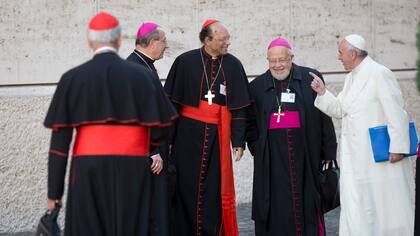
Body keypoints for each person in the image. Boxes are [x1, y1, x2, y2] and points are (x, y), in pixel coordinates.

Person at [44, 12, 177, 235]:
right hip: (133, 167)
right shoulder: (142, 76)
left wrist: (54, 195)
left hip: (88, 169)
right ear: (118, 41)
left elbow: (59, 146)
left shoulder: (72, 78)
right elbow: (161, 128)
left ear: (89, 41)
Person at [311, 34, 415, 235]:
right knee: (359, 205)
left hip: (380, 158)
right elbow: (341, 110)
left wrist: (398, 148)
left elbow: (397, 112)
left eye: (341, 53)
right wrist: (323, 92)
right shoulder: (351, 77)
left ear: (352, 53)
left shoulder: (379, 73)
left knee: (385, 207)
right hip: (356, 157)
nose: (338, 58)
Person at [163, 19, 251, 236]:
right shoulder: (185, 61)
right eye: (222, 39)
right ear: (207, 39)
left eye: (227, 39)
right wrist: (168, 142)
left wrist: (238, 141)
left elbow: (239, 109)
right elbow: (171, 105)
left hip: (217, 138)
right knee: (186, 187)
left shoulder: (233, 64)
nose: (227, 43)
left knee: (213, 189)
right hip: (186, 136)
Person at [246, 37, 337, 236]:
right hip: (272, 162)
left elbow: (324, 116)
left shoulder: (310, 78)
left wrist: (328, 152)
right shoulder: (257, 86)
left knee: (307, 207)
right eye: (273, 61)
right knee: (275, 210)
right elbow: (250, 124)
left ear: (291, 57)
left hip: (306, 156)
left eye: (282, 60)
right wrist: (259, 150)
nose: (278, 65)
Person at [126, 21, 172, 236]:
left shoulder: (143, 64)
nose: (166, 46)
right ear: (153, 42)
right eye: (163, 42)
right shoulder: (135, 68)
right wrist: (152, 150)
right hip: (147, 153)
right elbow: (135, 114)